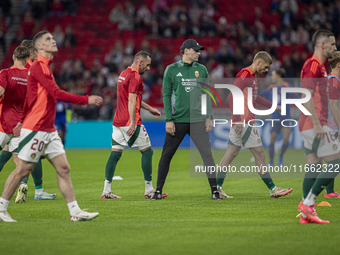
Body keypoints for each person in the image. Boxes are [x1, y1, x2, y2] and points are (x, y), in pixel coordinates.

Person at [0, 30, 103, 222]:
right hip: (37, 128)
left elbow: (30, 99)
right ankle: (1, 208)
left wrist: (21, 118)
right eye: (48, 39)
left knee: (64, 168)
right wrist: (86, 99)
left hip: (48, 129)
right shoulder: (39, 67)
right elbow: (56, 93)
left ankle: (75, 212)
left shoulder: (46, 68)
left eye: (53, 38)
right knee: (22, 169)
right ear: (39, 47)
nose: (53, 40)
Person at [150, 39, 222, 200]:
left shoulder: (202, 70)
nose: (199, 53)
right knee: (166, 155)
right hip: (178, 120)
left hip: (198, 120)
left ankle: (215, 191)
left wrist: (209, 116)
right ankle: (158, 191)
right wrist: (168, 120)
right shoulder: (171, 69)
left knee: (207, 155)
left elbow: (206, 95)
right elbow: (166, 96)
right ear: (186, 50)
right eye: (196, 50)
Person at [216, 52, 293, 199]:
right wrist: (238, 118)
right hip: (244, 122)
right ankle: (273, 189)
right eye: (265, 67)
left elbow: (255, 98)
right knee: (260, 154)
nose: (266, 70)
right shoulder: (245, 74)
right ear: (258, 63)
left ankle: (217, 188)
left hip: (242, 122)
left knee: (230, 154)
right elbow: (232, 95)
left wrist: (273, 107)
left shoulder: (252, 77)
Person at [102, 51, 168, 199]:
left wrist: (150, 109)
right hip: (130, 121)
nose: (149, 68)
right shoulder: (135, 76)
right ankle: (149, 190)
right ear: (140, 62)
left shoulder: (123, 73)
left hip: (117, 121)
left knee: (115, 154)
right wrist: (133, 122)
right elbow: (132, 101)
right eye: (148, 65)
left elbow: (132, 98)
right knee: (148, 152)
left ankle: (106, 191)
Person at [297, 29, 339, 224]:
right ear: (323, 45)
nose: (335, 47)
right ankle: (309, 202)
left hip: (312, 124)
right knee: (336, 162)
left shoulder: (319, 67)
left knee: (313, 166)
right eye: (332, 44)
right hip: (313, 124)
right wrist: (317, 124)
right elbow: (305, 95)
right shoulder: (313, 65)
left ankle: (306, 213)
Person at [258, 68, 299, 166]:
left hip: (286, 117)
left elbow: (297, 98)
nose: (271, 76)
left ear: (279, 76)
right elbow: (260, 95)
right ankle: (271, 162)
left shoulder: (288, 87)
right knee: (272, 138)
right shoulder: (271, 88)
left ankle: (280, 156)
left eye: (273, 74)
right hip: (275, 117)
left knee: (286, 139)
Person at [324, 51, 340, 198]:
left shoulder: (328, 79)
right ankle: (319, 189)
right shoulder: (334, 81)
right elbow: (334, 106)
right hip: (332, 125)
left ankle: (330, 192)